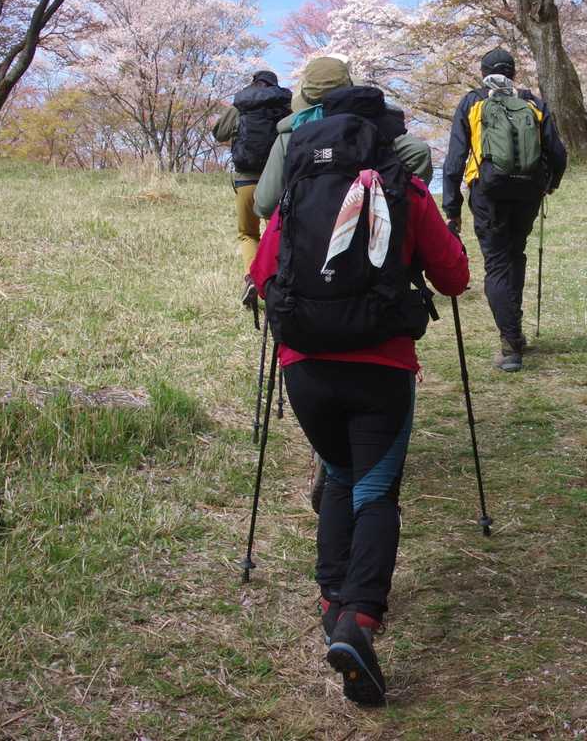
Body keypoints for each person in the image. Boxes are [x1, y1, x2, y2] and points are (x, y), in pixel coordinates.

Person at [250, 83, 469, 707]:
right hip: (381, 365)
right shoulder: (404, 187)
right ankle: (359, 619)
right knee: (374, 491)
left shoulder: (298, 189)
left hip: (305, 366)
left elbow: (262, 275)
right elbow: (454, 277)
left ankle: (331, 598)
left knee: (341, 476)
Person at [440, 47, 567, 372]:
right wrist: (550, 184)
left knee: (496, 264)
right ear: (513, 73)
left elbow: (454, 161)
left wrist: (452, 208)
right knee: (515, 254)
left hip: (488, 193)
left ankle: (510, 344)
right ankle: (515, 330)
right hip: (528, 191)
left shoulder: (472, 102)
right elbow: (558, 152)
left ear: (483, 73)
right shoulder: (532, 102)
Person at [254, 55, 432, 220]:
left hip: (309, 234)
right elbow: (419, 151)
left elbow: (265, 204)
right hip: (374, 231)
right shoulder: (377, 128)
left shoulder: (290, 137)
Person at [213, 69, 292, 283]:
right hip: (276, 181)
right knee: (275, 232)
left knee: (248, 233)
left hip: (245, 178)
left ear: (254, 82)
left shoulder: (241, 105)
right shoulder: (285, 104)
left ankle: (251, 279)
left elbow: (219, 133)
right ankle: (275, 279)